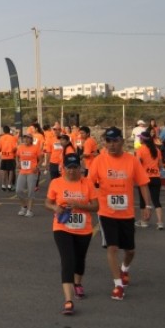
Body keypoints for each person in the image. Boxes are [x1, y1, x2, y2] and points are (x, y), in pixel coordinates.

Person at [87, 126, 151, 300]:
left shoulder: (132, 161)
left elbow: (143, 183)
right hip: (106, 211)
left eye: (115, 141)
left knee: (130, 250)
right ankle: (118, 285)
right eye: (108, 141)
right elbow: (89, 183)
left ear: (122, 141)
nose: (112, 144)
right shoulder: (99, 161)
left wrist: (147, 206)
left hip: (127, 213)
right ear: (104, 143)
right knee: (112, 248)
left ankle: (125, 269)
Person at [45, 154, 99, 316]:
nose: (72, 171)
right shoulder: (56, 183)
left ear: (80, 168)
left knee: (79, 260)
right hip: (62, 227)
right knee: (67, 260)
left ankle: (78, 283)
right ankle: (68, 300)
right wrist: (56, 208)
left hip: (83, 228)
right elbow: (48, 203)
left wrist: (78, 204)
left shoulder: (87, 183)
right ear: (64, 168)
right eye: (69, 167)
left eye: (75, 167)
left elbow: (96, 206)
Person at [135, 132, 164, 229]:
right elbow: (160, 165)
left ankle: (144, 221)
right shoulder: (156, 150)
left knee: (143, 200)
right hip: (156, 177)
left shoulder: (140, 150)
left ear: (143, 139)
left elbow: (138, 164)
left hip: (144, 178)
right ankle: (160, 222)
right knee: (156, 200)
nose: (139, 139)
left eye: (140, 138)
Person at [15, 133, 42, 217]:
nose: (26, 140)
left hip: (32, 172)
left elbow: (41, 159)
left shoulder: (36, 147)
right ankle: (24, 206)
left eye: (28, 138)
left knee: (31, 191)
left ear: (31, 139)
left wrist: (37, 167)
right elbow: (17, 156)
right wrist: (18, 163)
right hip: (22, 171)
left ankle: (29, 210)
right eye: (24, 138)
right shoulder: (20, 147)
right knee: (18, 190)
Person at [0, 126, 17, 192]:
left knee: (4, 171)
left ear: (4, 131)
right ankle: (9, 185)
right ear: (9, 131)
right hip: (11, 156)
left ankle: (3, 185)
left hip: (4, 156)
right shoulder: (12, 138)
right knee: (11, 171)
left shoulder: (1, 138)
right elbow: (15, 148)